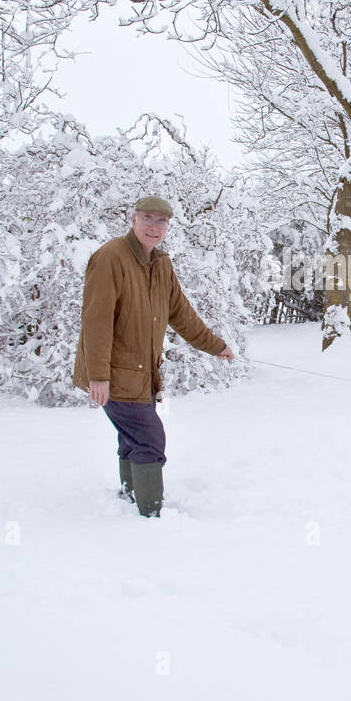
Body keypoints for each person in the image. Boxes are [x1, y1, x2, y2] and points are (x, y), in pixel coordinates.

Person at [73, 195, 234, 517]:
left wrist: (216, 345)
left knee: (133, 437)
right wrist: (99, 376)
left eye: (162, 221)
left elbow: (181, 313)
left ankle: (130, 497)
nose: (154, 227)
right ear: (133, 219)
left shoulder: (160, 264)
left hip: (142, 374)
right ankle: (150, 514)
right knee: (149, 438)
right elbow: (97, 320)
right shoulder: (110, 258)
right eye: (148, 218)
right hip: (116, 374)